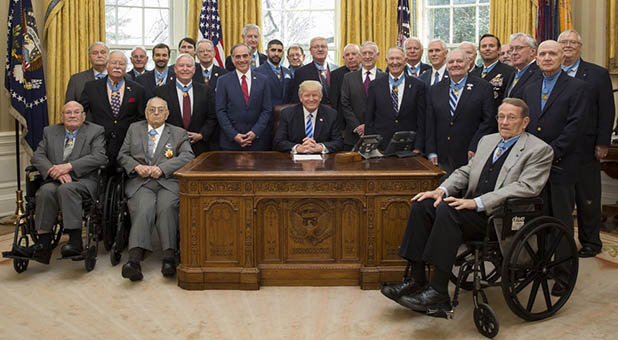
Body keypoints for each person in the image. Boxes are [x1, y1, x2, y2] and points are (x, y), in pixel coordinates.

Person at [382, 98, 553, 314]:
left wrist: (477, 202)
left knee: (447, 211)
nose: (505, 122)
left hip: (499, 217)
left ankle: (438, 291)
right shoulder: (488, 141)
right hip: (470, 209)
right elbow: (465, 171)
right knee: (423, 204)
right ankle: (416, 279)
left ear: (525, 121)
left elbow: (526, 188)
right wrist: (441, 191)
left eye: (511, 117)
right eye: (501, 117)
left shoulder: (539, 150)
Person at [520, 41, 587, 294]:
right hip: (533, 168)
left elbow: (575, 126)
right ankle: (542, 264)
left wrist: (550, 154)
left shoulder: (578, 88)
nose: (547, 58)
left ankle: (564, 274)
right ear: (536, 58)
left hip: (561, 166)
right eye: (543, 54)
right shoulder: (529, 87)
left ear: (563, 57)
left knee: (560, 221)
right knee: (537, 218)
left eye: (553, 54)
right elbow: (524, 124)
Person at [117, 97, 194, 281]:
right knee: (144, 208)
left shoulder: (178, 133)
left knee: (167, 208)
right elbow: (122, 155)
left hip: (167, 182)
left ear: (167, 113)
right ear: (146, 112)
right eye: (152, 110)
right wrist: (136, 167)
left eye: (161, 110)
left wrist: (163, 168)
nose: (157, 113)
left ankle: (169, 256)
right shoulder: (134, 129)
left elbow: (188, 156)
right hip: (140, 182)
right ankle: (134, 260)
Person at [23, 101, 107, 264]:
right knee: (45, 191)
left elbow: (100, 157)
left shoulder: (95, 131)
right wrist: (54, 172)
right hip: (57, 179)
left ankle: (75, 241)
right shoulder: (50, 131)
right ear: (62, 116)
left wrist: (68, 167)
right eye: (68, 112)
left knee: (66, 190)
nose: (72, 115)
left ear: (83, 116)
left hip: (84, 180)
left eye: (77, 112)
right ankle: (43, 244)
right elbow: (38, 156)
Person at [558, 30, 616, 258]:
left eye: (573, 42)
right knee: (562, 199)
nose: (568, 46)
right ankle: (561, 243)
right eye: (564, 42)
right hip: (558, 147)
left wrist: (603, 142)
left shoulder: (597, 74)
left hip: (586, 146)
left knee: (588, 198)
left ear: (580, 46)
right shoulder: (549, 72)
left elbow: (607, 111)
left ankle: (591, 242)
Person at [425, 49, 497, 176]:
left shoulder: (483, 88)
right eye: (451, 62)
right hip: (442, 156)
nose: (455, 64)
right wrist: (431, 151)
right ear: (446, 66)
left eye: (459, 61)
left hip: (470, 154)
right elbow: (430, 123)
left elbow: (489, 121)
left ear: (468, 64)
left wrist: (475, 146)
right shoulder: (435, 89)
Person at [80, 51, 146, 170]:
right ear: (107, 65)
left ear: (126, 67)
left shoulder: (138, 89)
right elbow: (81, 113)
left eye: (121, 64)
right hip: (98, 143)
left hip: (127, 144)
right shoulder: (91, 87)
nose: (117, 66)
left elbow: (141, 118)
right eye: (113, 63)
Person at [365, 46, 426, 151]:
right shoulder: (375, 85)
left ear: (405, 61)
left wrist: (418, 147)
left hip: (409, 145)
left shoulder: (418, 85)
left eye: (398, 58)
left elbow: (421, 119)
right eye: (391, 59)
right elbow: (369, 118)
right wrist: (371, 146)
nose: (395, 62)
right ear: (386, 61)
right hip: (381, 146)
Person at [155, 54, 217, 156]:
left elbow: (212, 117)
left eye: (188, 66)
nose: (185, 69)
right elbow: (157, 119)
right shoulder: (161, 92)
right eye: (181, 65)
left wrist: (202, 135)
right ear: (175, 69)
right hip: (170, 147)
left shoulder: (206, 91)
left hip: (200, 147)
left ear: (194, 69)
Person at [216, 43, 273, 151]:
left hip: (258, 142)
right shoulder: (223, 81)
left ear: (251, 57)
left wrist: (255, 132)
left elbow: (267, 110)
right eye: (237, 57)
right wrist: (234, 135)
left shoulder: (263, 80)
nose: (241, 60)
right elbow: (220, 111)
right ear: (232, 59)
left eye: (245, 56)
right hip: (231, 143)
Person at [273, 80, 343, 153]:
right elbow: (278, 142)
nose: (311, 99)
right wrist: (298, 148)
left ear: (321, 97)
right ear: (300, 98)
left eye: (315, 95)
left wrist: (320, 147)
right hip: (293, 160)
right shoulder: (287, 114)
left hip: (322, 160)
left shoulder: (331, 114)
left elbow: (338, 142)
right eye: (307, 95)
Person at [340, 41, 386, 150]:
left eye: (371, 53)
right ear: (360, 56)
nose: (367, 56)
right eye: (364, 53)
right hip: (353, 136)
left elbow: (385, 107)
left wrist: (369, 126)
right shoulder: (348, 78)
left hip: (378, 136)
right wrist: (357, 126)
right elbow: (345, 104)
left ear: (377, 55)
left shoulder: (385, 78)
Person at [470, 34, 515, 108]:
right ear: (480, 51)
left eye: (491, 46)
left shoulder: (510, 72)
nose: (487, 49)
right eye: (484, 46)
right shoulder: (472, 74)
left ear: (499, 50)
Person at [289, 37, 338, 104]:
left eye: (323, 46)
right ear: (310, 51)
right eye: (316, 47)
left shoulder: (337, 70)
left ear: (327, 49)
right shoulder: (301, 73)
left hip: (336, 113)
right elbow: (297, 100)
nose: (320, 49)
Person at [255, 39, 293, 108]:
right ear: (267, 52)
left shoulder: (288, 72)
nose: (276, 54)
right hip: (267, 116)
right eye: (273, 50)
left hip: (286, 115)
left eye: (279, 51)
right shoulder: (257, 72)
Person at [504, 33, 541, 98]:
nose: (514, 53)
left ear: (532, 51)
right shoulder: (514, 73)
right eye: (511, 49)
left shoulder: (540, 73)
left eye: (519, 48)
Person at [329, 43, 361, 111]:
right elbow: (334, 101)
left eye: (353, 54)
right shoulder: (335, 75)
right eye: (347, 55)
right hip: (343, 117)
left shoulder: (368, 72)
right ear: (344, 58)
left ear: (360, 56)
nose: (350, 57)